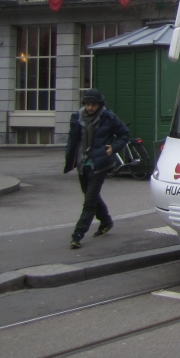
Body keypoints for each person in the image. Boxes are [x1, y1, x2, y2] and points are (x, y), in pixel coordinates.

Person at [64, 88, 130, 249]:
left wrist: (113, 148)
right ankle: (106, 221)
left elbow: (124, 134)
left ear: (99, 105)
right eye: (87, 104)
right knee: (89, 195)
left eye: (93, 104)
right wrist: (69, 158)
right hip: (82, 163)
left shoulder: (108, 117)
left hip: (100, 163)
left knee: (90, 200)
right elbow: (72, 140)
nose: (90, 108)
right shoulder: (77, 118)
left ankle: (77, 235)